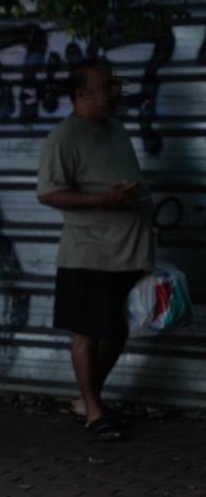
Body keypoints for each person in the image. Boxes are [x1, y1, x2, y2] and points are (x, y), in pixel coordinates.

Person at [37, 59, 155, 442]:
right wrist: (104, 199)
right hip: (89, 253)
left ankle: (88, 400)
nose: (116, 93)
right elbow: (48, 192)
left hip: (128, 252)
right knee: (86, 334)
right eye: (107, 87)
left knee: (117, 331)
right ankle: (93, 411)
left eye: (116, 85)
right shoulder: (64, 137)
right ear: (80, 95)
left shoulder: (116, 129)